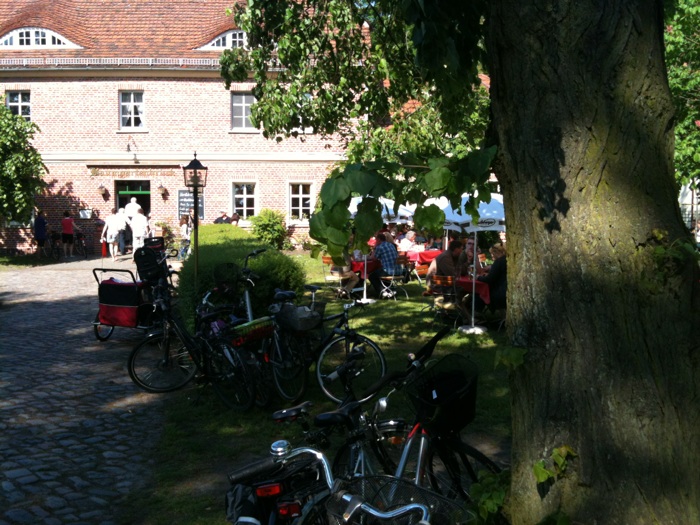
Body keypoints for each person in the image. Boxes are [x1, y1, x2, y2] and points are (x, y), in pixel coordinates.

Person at [473, 242, 507, 312]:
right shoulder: (507, 260)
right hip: (506, 292)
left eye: (492, 253)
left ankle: (476, 314)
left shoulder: (498, 261)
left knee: (478, 292)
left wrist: (478, 277)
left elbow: (489, 279)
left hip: (499, 294)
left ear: (496, 252)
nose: (491, 256)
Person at [368, 233, 399, 298]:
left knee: (371, 276)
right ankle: (390, 290)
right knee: (378, 272)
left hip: (389, 271)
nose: (375, 241)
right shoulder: (391, 245)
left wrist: (375, 248)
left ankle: (382, 291)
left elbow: (373, 258)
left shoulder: (380, 247)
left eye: (376, 240)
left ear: (379, 239)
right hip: (397, 270)